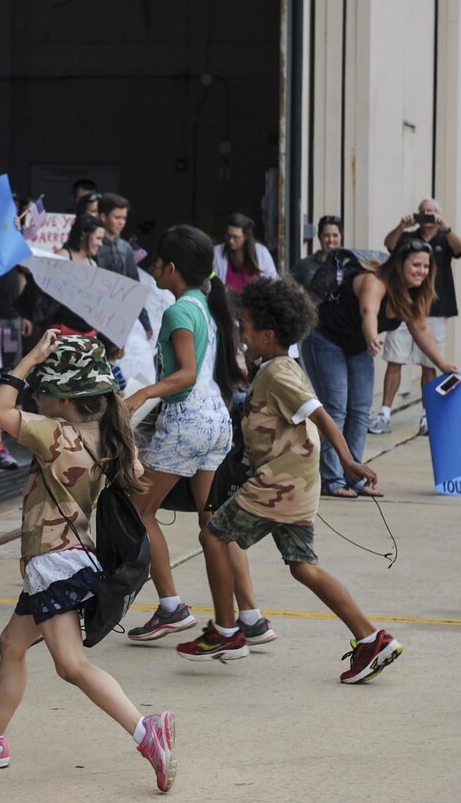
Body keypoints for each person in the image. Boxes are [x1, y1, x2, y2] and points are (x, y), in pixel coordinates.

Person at [0, 332, 178, 790]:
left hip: (54, 563)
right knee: (12, 643)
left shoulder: (55, 434)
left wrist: (29, 359)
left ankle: (146, 729)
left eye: (43, 391)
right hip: (72, 560)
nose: (37, 398)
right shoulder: (108, 437)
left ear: (64, 399)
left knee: (70, 664)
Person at [172, 277, 405, 682]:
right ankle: (371, 640)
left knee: (212, 534)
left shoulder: (279, 372)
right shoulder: (276, 368)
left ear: (267, 335)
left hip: (280, 484)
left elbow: (319, 412)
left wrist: (348, 459)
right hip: (293, 484)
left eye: (245, 328)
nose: (241, 335)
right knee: (302, 566)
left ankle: (227, 631)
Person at [121, 226, 258, 645]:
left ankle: (171, 607)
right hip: (217, 421)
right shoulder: (205, 303)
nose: (154, 270)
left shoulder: (179, 310)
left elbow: (185, 373)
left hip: (187, 423)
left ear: (173, 268)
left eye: (158, 264)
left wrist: (142, 393)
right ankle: (250, 617)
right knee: (214, 521)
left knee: (139, 511)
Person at [305, 242, 456, 498]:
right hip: (325, 338)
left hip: (358, 345)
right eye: (416, 265)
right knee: (336, 408)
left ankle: (354, 477)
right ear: (400, 264)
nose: (421, 271)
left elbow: (420, 329)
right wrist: (373, 337)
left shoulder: (412, 294)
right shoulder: (375, 281)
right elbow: (369, 310)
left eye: (426, 266)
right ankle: (332, 479)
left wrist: (442, 364)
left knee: (361, 410)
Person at [376, 199, 461, 434]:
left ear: (439, 214)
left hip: (436, 309)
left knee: (430, 364)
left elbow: (459, 249)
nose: (428, 217)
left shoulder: (445, 238)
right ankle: (384, 413)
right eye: (423, 213)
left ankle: (428, 416)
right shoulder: (408, 238)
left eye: (432, 213)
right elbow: (389, 245)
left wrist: (445, 228)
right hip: (405, 306)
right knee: (395, 358)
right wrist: (400, 227)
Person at [213, 213, 278, 293]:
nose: (230, 240)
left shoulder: (261, 252)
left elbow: (273, 281)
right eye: (228, 236)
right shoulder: (217, 252)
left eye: (235, 237)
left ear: (246, 236)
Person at [290, 215, 343, 288]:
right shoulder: (304, 266)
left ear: (341, 237)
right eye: (326, 236)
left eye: (335, 235)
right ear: (319, 237)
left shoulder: (349, 265)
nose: (331, 240)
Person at [96, 193, 138, 279]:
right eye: (117, 217)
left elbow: (134, 279)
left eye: (124, 218)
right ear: (103, 217)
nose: (121, 222)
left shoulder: (125, 247)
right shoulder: (94, 245)